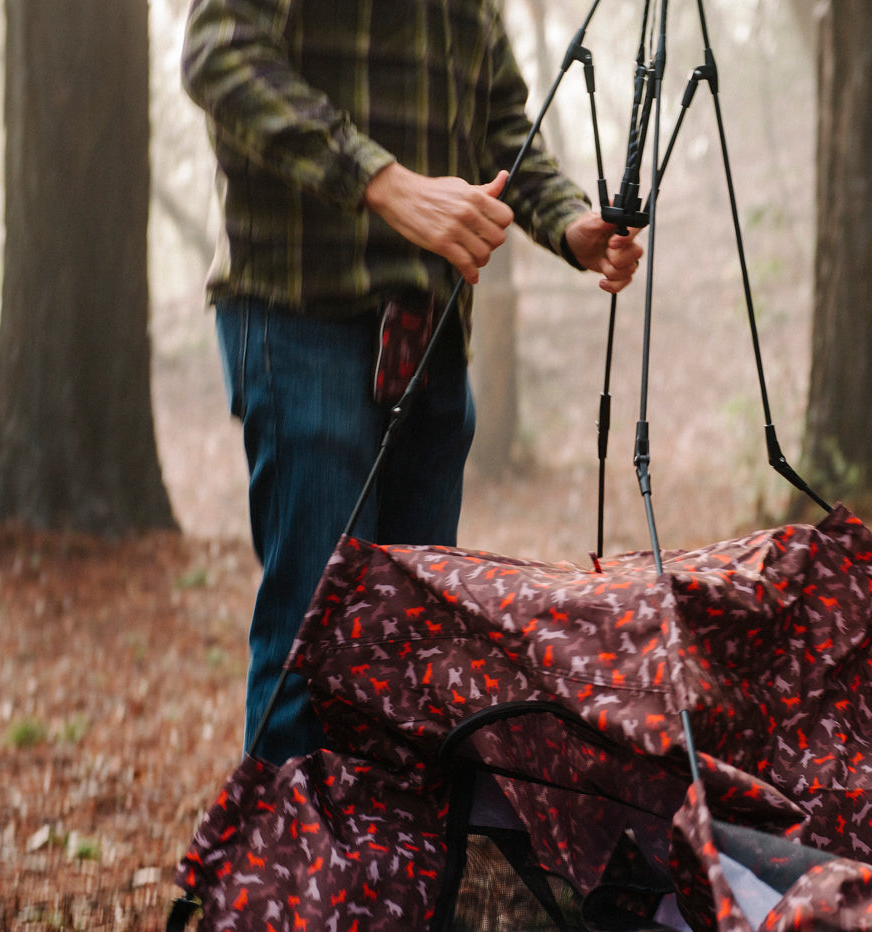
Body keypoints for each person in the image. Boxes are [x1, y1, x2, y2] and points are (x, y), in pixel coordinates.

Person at [181, 0, 642, 766]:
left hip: (431, 332)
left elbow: (500, 125)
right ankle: (282, 870)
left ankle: (394, 871)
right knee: (317, 629)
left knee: (410, 642)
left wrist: (570, 226)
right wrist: (384, 182)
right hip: (301, 312)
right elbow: (219, 57)